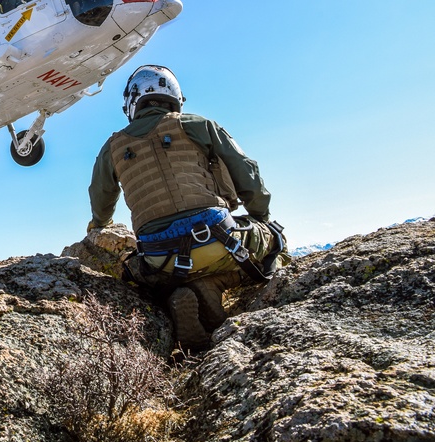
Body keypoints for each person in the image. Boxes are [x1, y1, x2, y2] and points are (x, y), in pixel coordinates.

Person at [87, 64, 288, 351]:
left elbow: (101, 198)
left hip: (159, 258)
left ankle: (186, 293)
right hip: (220, 240)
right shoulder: (199, 125)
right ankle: (217, 285)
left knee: (139, 275)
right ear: (175, 97)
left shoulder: (112, 147)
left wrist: (99, 223)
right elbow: (247, 172)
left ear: (132, 103)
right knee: (277, 241)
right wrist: (260, 218)